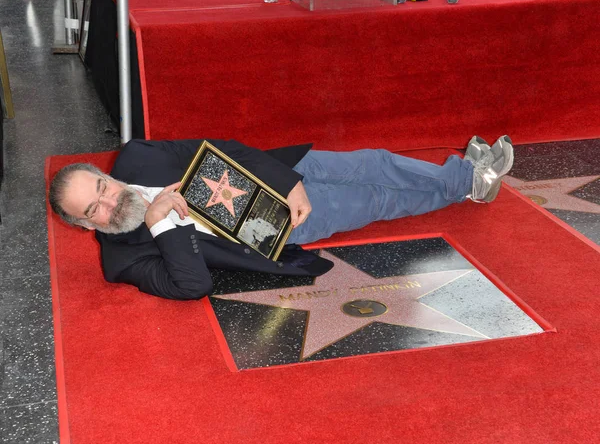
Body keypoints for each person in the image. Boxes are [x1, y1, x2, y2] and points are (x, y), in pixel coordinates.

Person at [48, 136, 514, 300]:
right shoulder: (121, 263)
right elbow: (192, 285)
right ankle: (470, 180)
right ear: (85, 225)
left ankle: (464, 177)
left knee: (372, 162)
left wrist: (288, 180)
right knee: (374, 200)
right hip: (275, 227)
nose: (109, 202)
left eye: (103, 188)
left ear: (105, 175)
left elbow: (222, 149)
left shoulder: (137, 157)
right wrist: (158, 220)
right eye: (94, 210)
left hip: (277, 174)